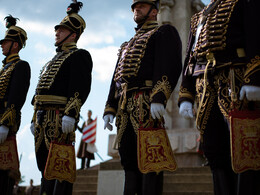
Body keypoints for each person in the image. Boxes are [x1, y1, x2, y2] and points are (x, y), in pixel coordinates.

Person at [178, 0, 260, 194]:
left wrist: (254, 78)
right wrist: (186, 94)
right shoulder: (200, 16)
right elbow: (191, 57)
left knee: (244, 149)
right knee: (214, 150)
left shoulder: (244, 3)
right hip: (205, 87)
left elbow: (256, 37)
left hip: (235, 81)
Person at [103, 0, 182, 194]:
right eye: (134, 7)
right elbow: (117, 78)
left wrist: (159, 97)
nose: (136, 9)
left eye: (142, 6)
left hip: (146, 104)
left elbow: (168, 65)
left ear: (154, 12)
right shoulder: (126, 45)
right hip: (124, 107)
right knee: (129, 162)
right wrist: (110, 107)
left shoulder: (163, 33)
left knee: (151, 161)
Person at [30, 1, 92, 194]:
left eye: (62, 30)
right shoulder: (52, 60)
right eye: (57, 29)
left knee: (59, 169)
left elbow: (80, 87)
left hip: (59, 119)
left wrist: (71, 114)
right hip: (42, 119)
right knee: (43, 167)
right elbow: (38, 94)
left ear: (73, 34)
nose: (57, 33)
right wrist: (34, 118)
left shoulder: (79, 55)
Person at [0, 15, 30, 195]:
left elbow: (16, 98)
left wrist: (5, 123)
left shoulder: (21, 66)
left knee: (4, 174)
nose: (2, 45)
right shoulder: (4, 68)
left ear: (16, 45)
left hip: (5, 125)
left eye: (6, 42)